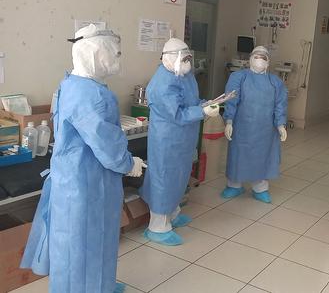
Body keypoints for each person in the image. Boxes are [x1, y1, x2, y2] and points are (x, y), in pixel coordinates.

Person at [21, 24, 145, 293]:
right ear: (96, 53)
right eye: (116, 52)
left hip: (78, 179)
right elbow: (105, 142)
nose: (117, 58)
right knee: (82, 248)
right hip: (86, 184)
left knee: (89, 243)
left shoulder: (71, 84)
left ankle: (101, 285)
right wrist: (128, 163)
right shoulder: (91, 95)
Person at [140, 38, 219, 246]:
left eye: (188, 58)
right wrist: (201, 112)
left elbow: (190, 103)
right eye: (184, 59)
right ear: (169, 59)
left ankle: (173, 214)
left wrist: (206, 105)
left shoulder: (185, 76)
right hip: (167, 139)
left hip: (183, 139)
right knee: (164, 179)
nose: (188, 62)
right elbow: (176, 113)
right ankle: (157, 226)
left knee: (180, 177)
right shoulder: (162, 83)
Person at [221, 46, 288, 203]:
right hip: (241, 127)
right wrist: (229, 121)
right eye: (256, 56)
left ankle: (260, 188)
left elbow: (280, 105)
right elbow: (231, 100)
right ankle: (234, 185)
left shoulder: (275, 82)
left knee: (262, 157)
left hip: (265, 129)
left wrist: (280, 125)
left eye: (263, 57)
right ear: (250, 59)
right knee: (239, 156)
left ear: (268, 62)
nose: (259, 59)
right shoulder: (239, 77)